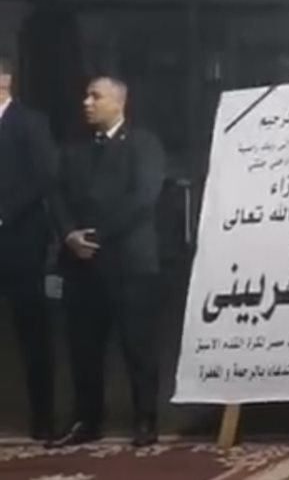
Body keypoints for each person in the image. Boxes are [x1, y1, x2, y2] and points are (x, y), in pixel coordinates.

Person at [50, 76, 165, 450]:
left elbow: (143, 198)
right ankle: (87, 419)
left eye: (95, 96)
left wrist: (96, 236)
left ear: (119, 102)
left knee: (138, 347)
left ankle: (145, 419)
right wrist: (69, 234)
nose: (87, 102)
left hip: (130, 264)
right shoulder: (73, 147)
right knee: (83, 349)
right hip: (80, 265)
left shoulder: (143, 144)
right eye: (86, 96)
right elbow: (57, 195)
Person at [0, 53, 57, 441]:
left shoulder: (30, 122)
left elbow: (43, 176)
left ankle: (43, 417)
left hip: (20, 240)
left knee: (32, 331)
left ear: (5, 80)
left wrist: (3, 214)